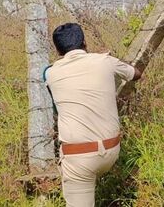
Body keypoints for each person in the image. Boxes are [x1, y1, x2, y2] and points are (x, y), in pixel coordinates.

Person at [45, 23, 142, 207]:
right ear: (84, 42)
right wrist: (105, 60)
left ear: (57, 50)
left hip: (79, 158)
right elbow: (136, 74)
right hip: (111, 150)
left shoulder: (50, 74)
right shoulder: (105, 61)